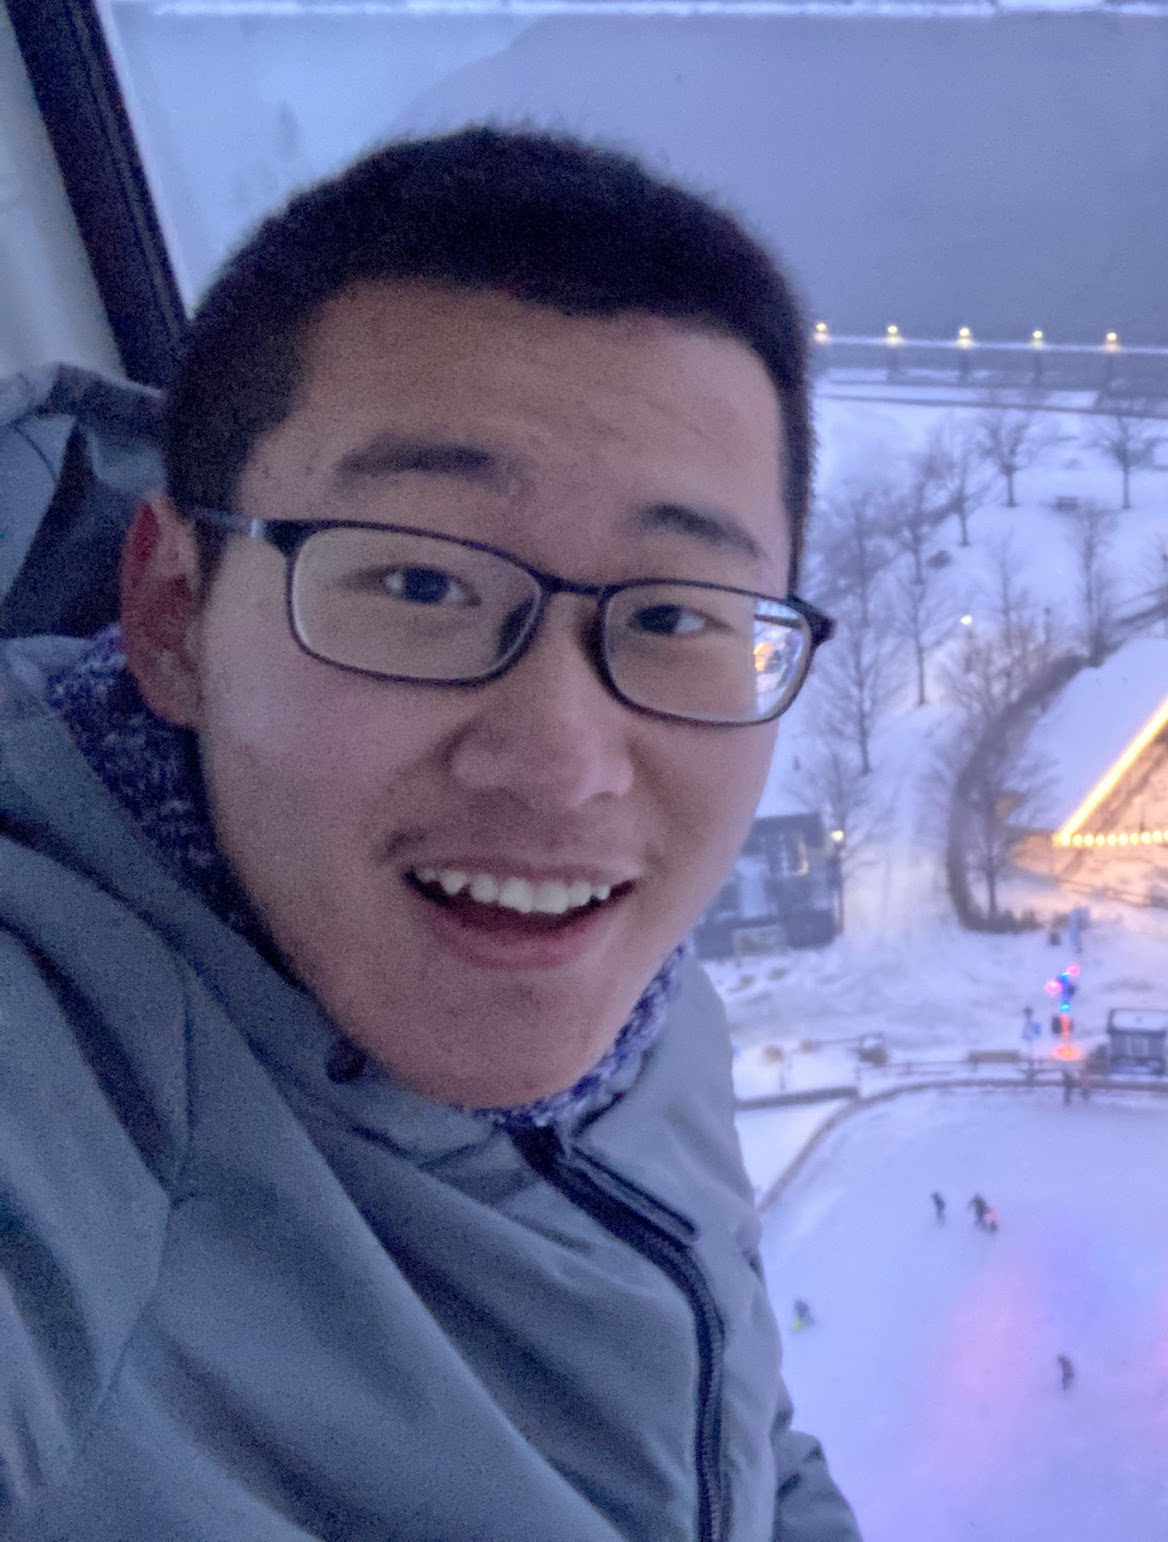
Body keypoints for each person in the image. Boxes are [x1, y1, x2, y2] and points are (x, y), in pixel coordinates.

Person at [0, 129, 857, 1538]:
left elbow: (742, 1442)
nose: (563, 765)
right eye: (416, 581)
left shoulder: (633, 998)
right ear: (172, 614)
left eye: (678, 616)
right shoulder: (63, 1096)